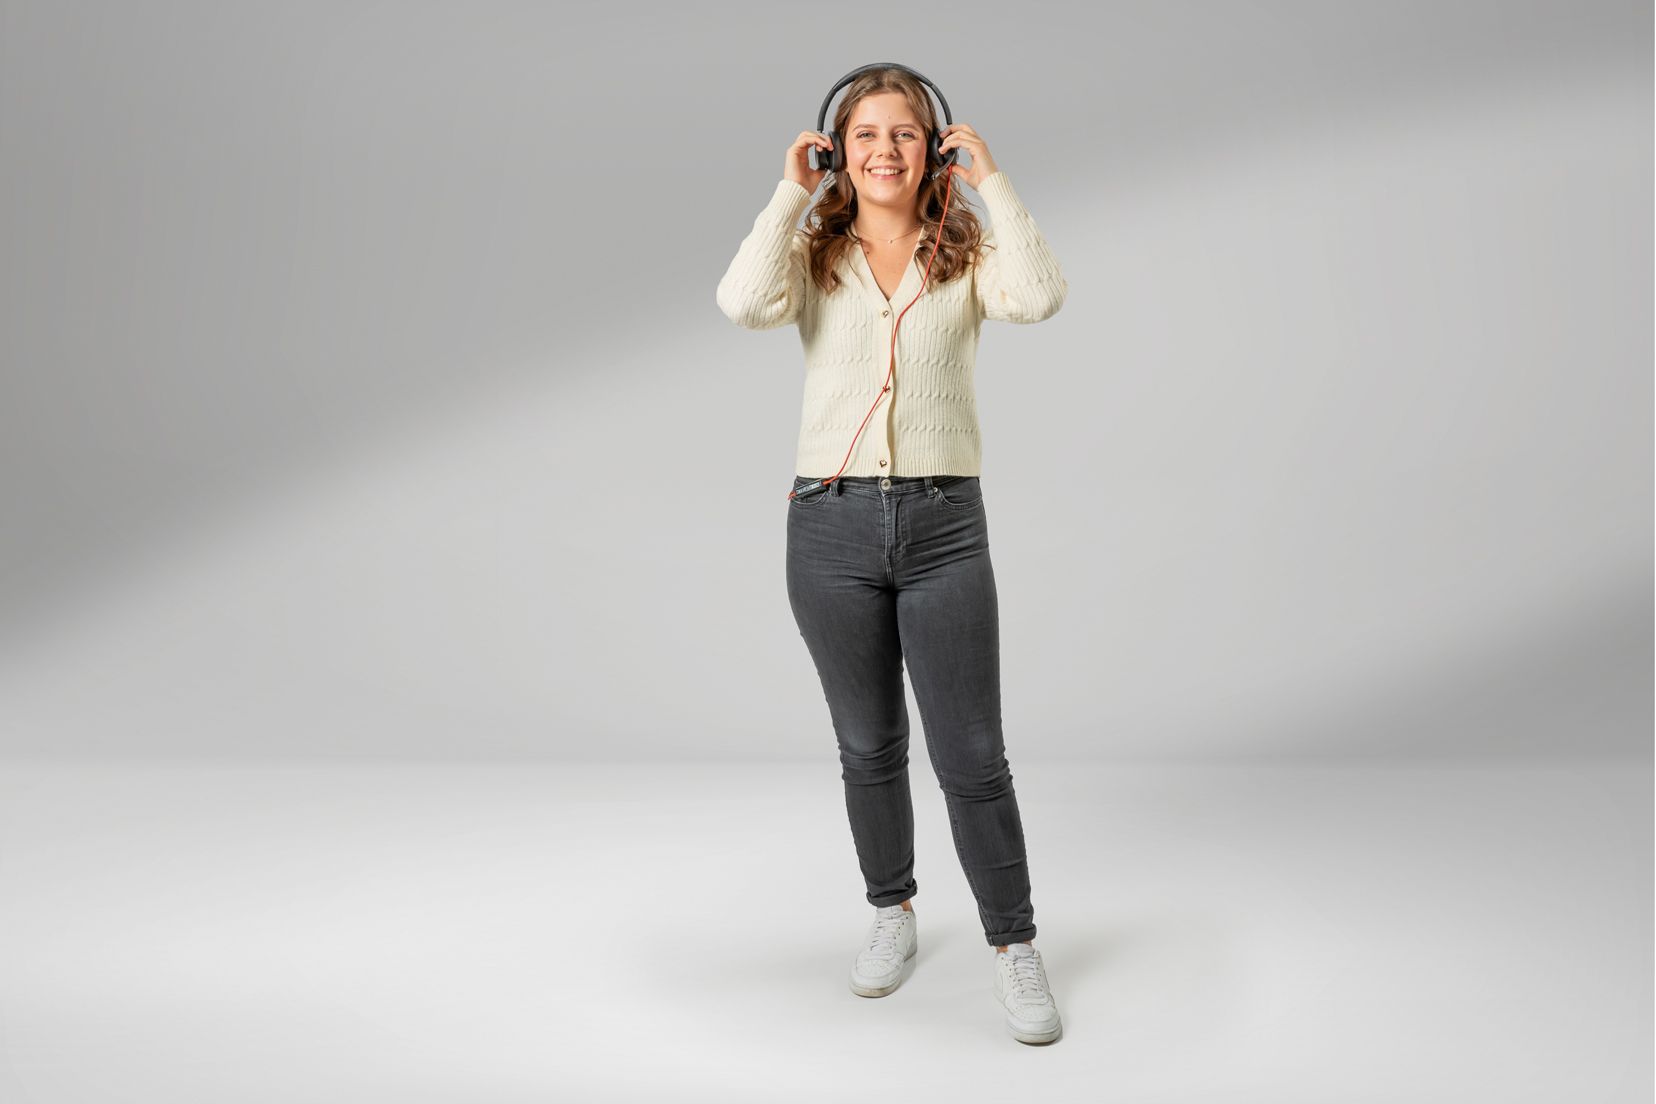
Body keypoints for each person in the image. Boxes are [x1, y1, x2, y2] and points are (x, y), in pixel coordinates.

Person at [715, 66, 1067, 1045]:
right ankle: (891, 912)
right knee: (868, 747)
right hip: (827, 525)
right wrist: (790, 189)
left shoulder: (965, 252)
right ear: (839, 149)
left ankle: (1014, 945)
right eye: (863, 134)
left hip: (945, 523)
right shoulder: (812, 253)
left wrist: (993, 180)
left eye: (905, 134)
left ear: (933, 146)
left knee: (972, 758)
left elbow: (1039, 298)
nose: (884, 150)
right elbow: (742, 303)